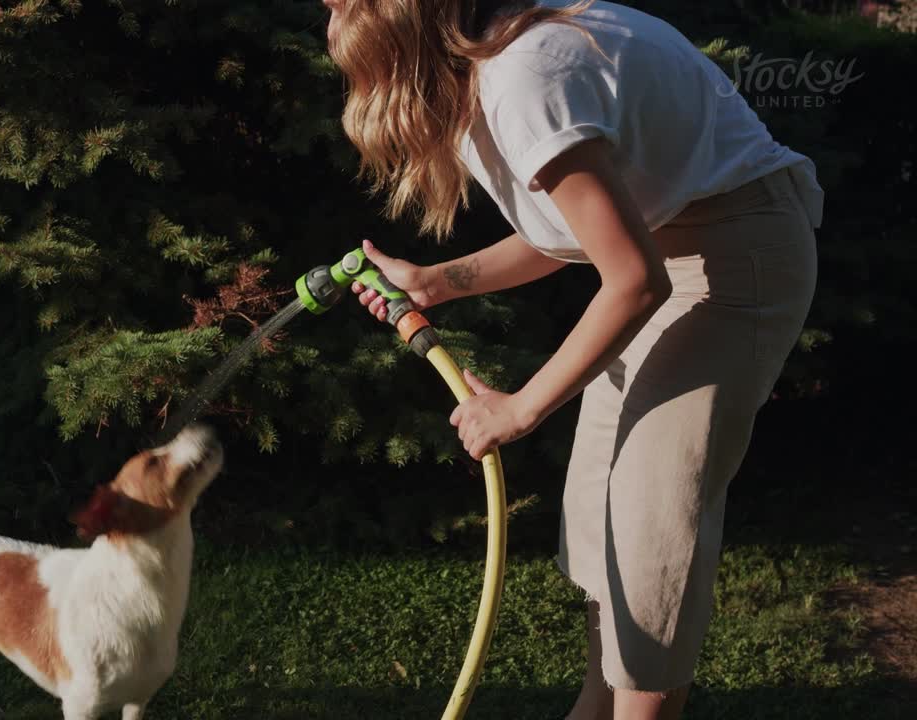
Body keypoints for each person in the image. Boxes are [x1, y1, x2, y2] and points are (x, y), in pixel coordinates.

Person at [322, 1, 822, 719]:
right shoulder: (491, 69)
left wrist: (519, 408)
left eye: (341, 5)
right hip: (669, 250)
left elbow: (632, 277)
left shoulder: (524, 76)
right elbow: (583, 232)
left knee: (651, 529)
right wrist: (434, 283)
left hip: (732, 260)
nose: (328, 14)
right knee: (602, 514)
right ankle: (597, 704)